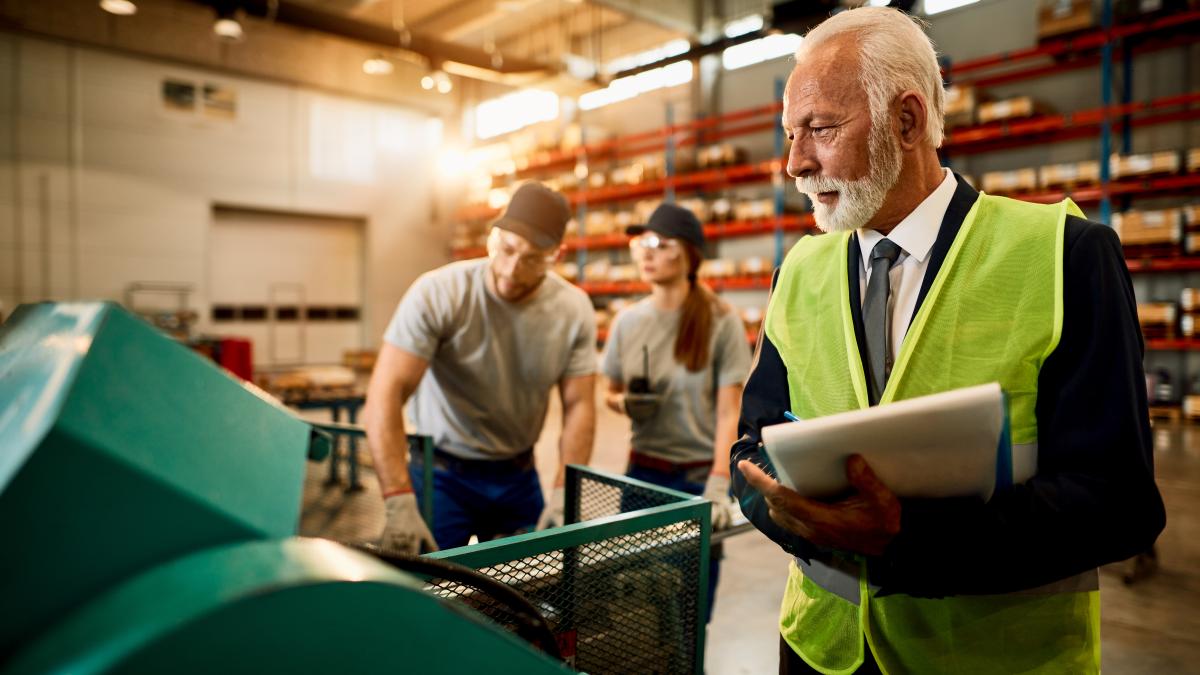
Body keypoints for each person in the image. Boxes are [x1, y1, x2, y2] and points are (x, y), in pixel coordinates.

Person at [729, 7, 1166, 674]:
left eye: (820, 128)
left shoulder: (1065, 256)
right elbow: (750, 449)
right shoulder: (800, 271)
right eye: (790, 134)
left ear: (907, 121)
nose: (794, 162)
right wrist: (792, 515)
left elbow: (1120, 504)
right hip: (821, 650)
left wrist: (906, 538)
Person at [365, 181, 597, 554]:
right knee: (430, 590)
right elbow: (385, 393)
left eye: (533, 259)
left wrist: (564, 495)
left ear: (557, 254)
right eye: (505, 249)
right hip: (440, 475)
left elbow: (580, 405)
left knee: (527, 595)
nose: (510, 270)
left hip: (517, 476)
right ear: (494, 236)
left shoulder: (572, 309)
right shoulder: (440, 293)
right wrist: (398, 499)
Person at [601, 203, 751, 620]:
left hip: (696, 481)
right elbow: (608, 390)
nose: (645, 253)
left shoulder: (721, 322)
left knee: (689, 613)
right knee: (630, 614)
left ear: (688, 255)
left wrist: (719, 487)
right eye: (642, 243)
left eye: (660, 244)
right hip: (641, 480)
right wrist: (624, 404)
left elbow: (728, 414)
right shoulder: (627, 323)